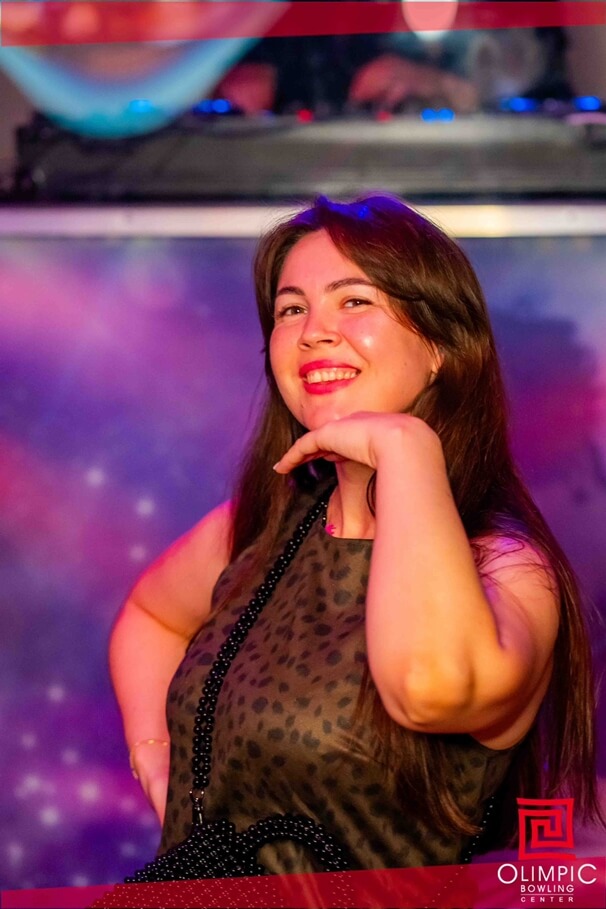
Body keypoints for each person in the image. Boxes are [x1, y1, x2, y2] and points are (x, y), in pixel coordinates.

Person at [110, 194, 602, 873]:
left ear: (439, 347)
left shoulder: (509, 569)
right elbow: (151, 615)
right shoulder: (259, 530)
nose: (313, 331)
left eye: (354, 301)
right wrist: (154, 751)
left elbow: (428, 688)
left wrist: (405, 449)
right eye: (291, 310)